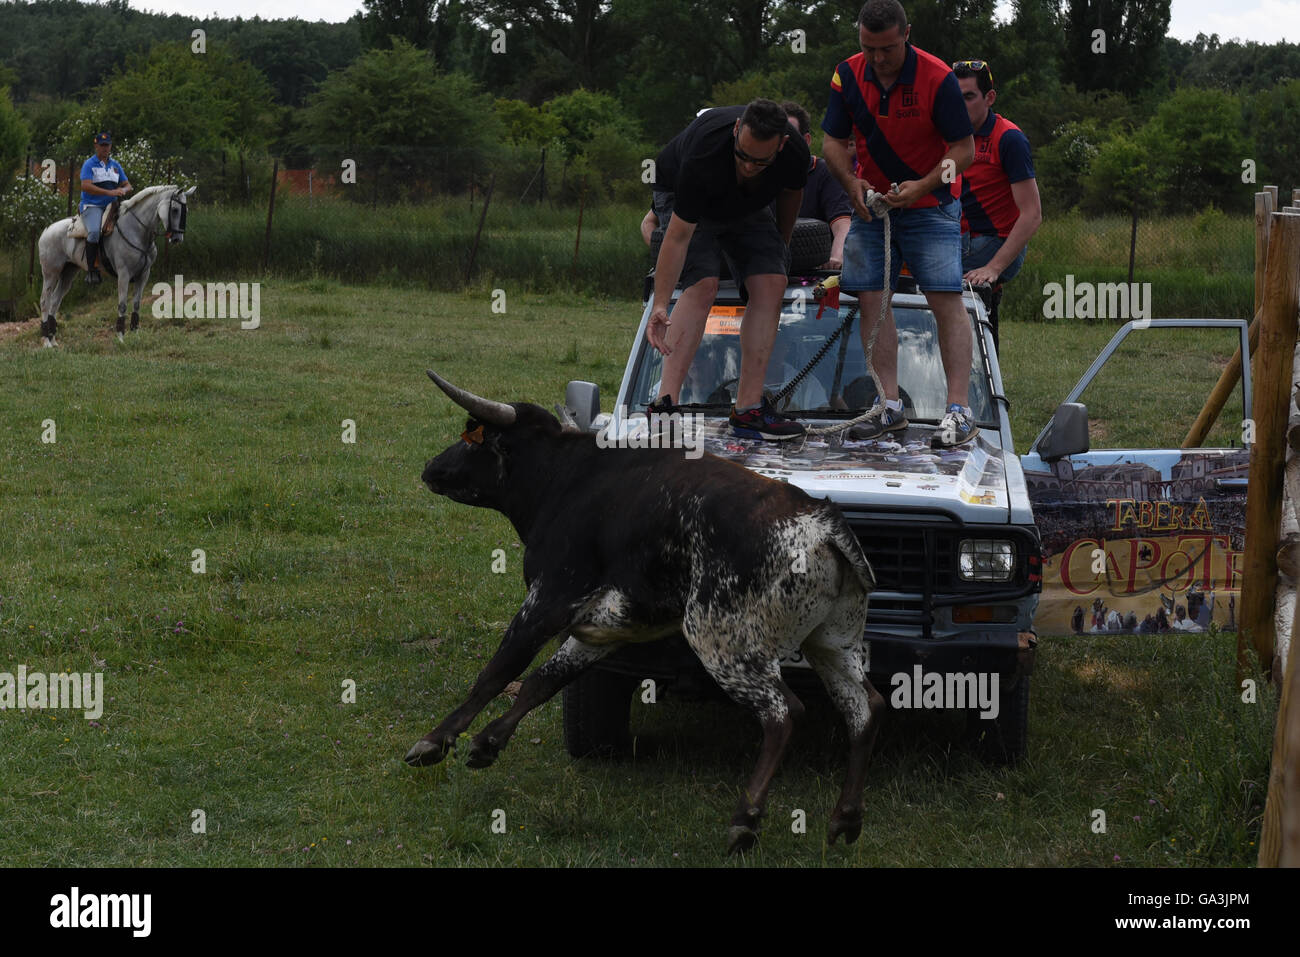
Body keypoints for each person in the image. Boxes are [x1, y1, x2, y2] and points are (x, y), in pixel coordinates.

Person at [820, 0, 977, 448]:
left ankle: (959, 410)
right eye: (868, 48)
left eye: (887, 48)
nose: (878, 59)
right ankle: (889, 406)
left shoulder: (938, 77)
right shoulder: (846, 74)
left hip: (933, 208)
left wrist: (924, 185)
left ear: (906, 33)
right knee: (872, 299)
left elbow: (962, 150)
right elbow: (832, 141)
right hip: (873, 207)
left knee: (945, 299)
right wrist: (851, 184)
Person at [647, 99, 809, 440]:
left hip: (744, 204)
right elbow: (677, 238)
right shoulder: (704, 153)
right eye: (743, 156)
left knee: (772, 280)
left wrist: (780, 244)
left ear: (781, 145)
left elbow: (792, 195)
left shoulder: (794, 155)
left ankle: (749, 409)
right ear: (737, 131)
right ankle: (664, 405)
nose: (749, 166)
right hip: (682, 195)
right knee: (703, 283)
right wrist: (661, 304)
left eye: (760, 161)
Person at [952, 59, 1042, 353]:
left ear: (989, 98)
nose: (960, 104)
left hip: (997, 244)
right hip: (959, 238)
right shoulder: (949, 134)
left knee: (933, 283)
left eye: (968, 96)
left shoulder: (1009, 138)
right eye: (955, 97)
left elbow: (1032, 214)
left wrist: (993, 267)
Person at [777, 101, 852, 269]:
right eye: (777, 137)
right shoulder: (757, 170)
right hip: (766, 266)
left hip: (816, 269)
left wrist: (837, 257)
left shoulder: (824, 172)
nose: (781, 144)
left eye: (789, 137)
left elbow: (842, 222)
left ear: (806, 140)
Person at [79, 131, 132, 285]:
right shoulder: (89, 164)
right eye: (102, 145)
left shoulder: (115, 165)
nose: (105, 148)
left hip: (113, 205)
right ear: (96, 146)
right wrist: (110, 192)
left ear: (110, 146)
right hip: (93, 206)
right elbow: (85, 186)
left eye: (107, 145)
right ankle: (92, 270)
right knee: (95, 232)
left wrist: (124, 190)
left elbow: (128, 184)